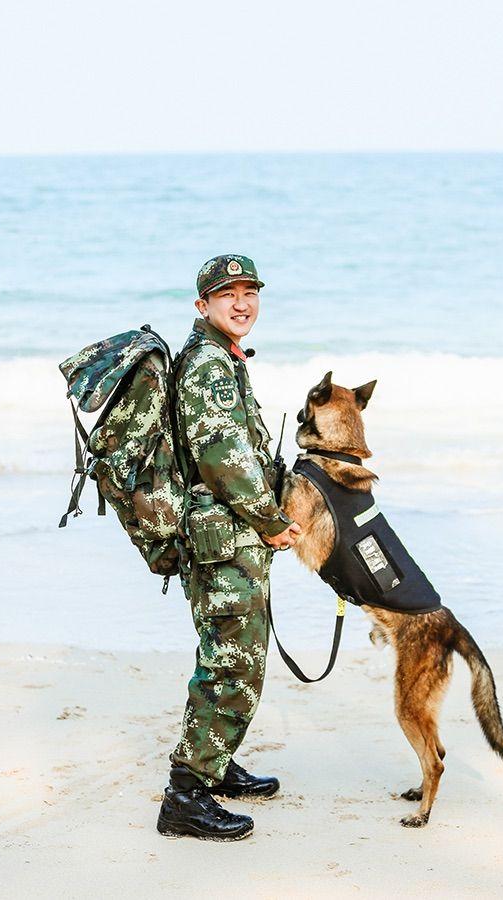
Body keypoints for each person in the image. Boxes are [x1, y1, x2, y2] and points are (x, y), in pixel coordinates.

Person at [157, 254, 302, 841]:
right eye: (227, 294)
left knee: (238, 656)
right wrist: (271, 520)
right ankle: (186, 795)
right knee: (230, 663)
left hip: (230, 535)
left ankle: (216, 763)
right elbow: (223, 457)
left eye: (249, 292)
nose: (242, 303)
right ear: (203, 305)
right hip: (225, 539)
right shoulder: (209, 364)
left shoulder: (225, 357)